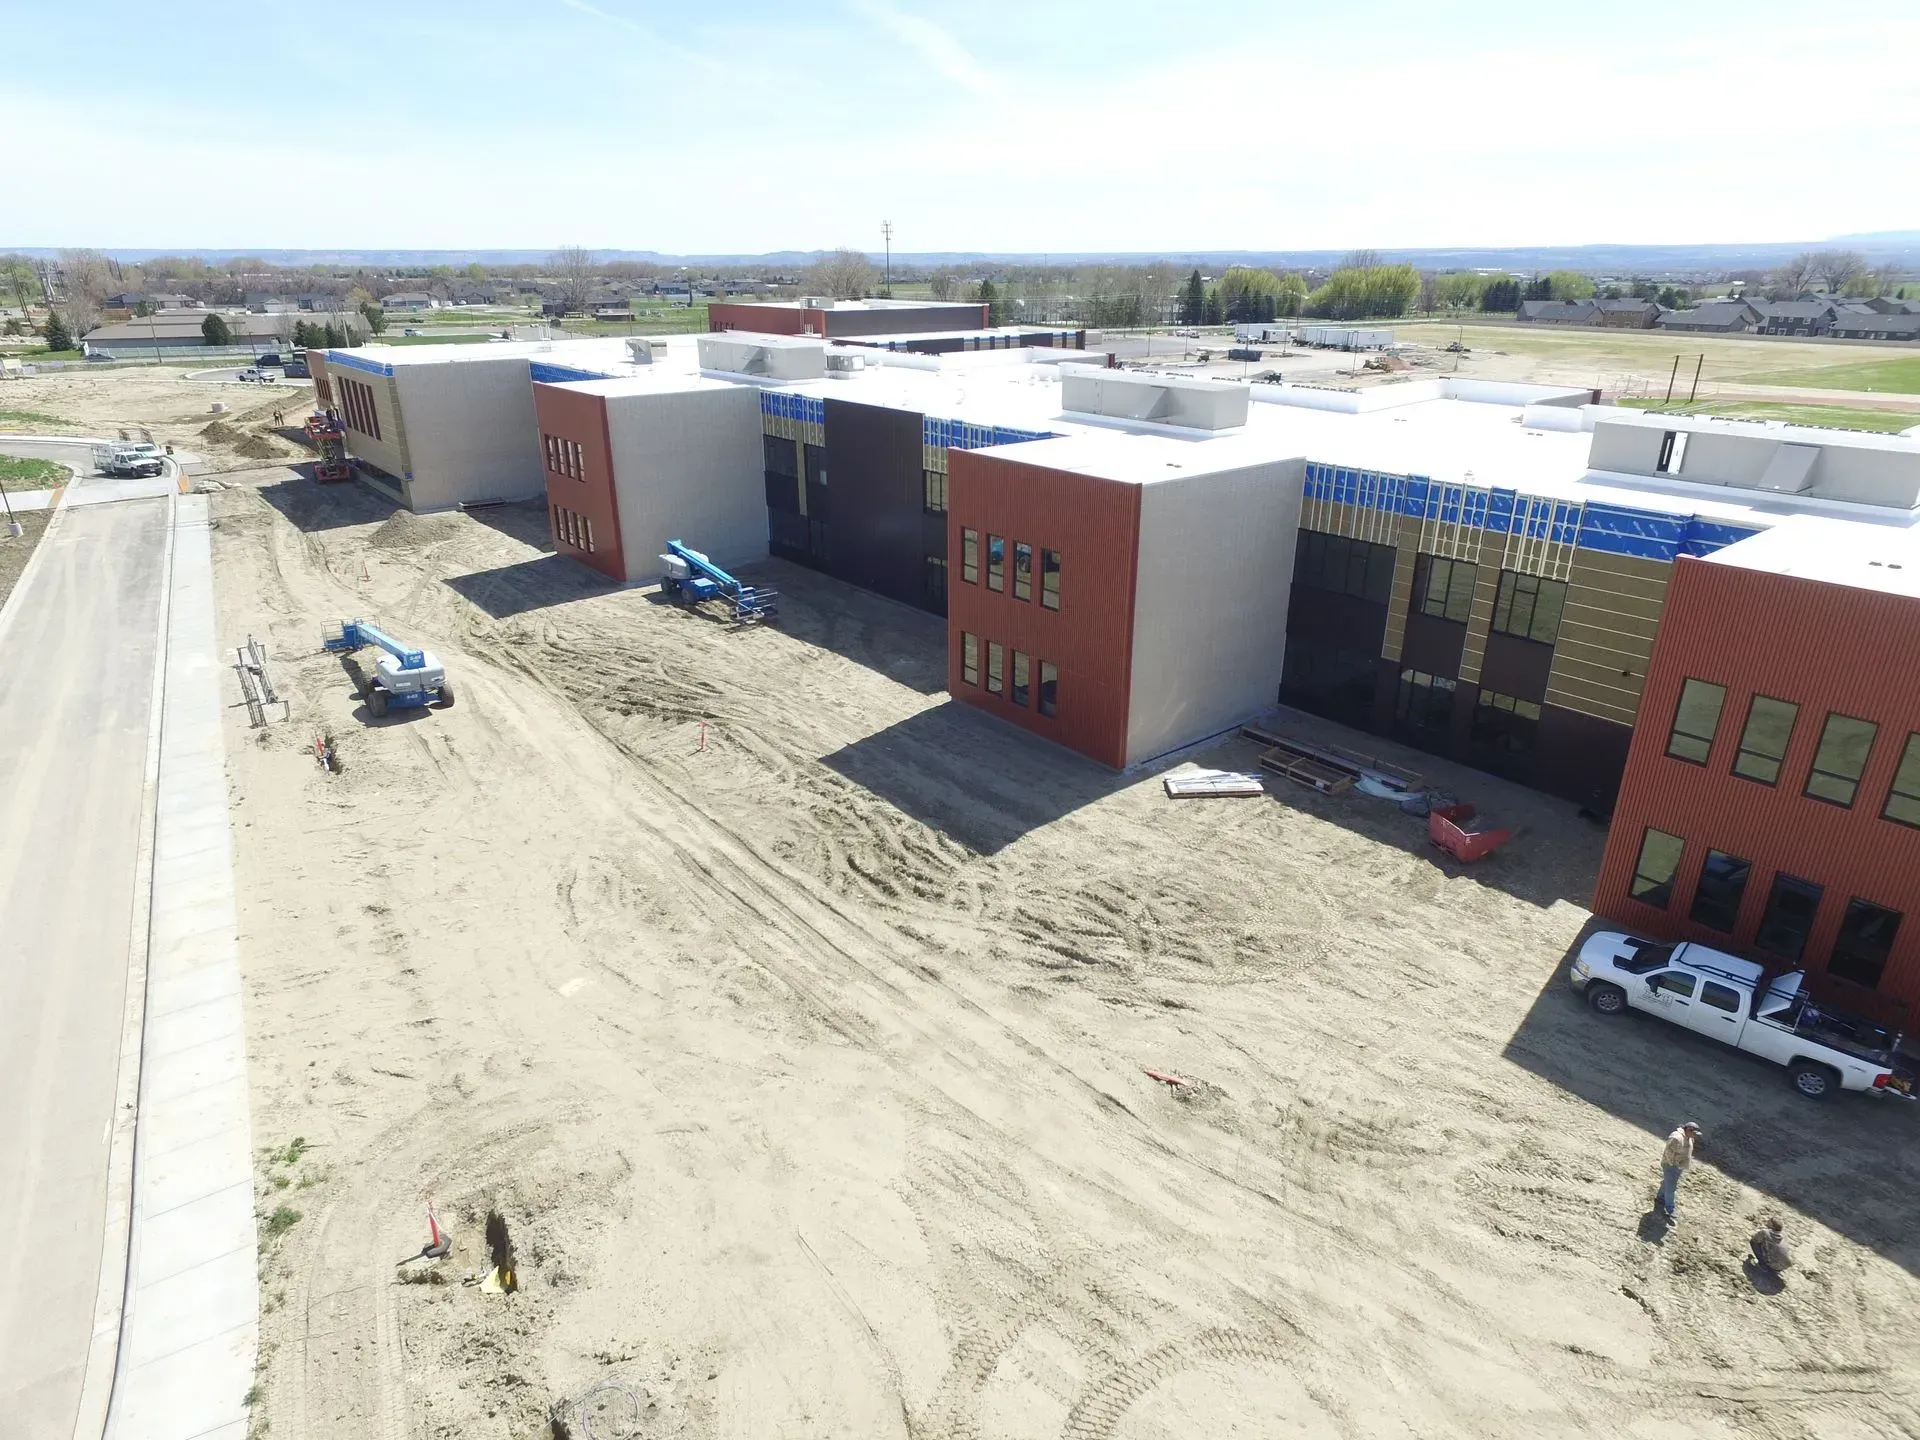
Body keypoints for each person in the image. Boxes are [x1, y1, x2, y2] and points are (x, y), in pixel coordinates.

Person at [1656, 1121, 1701, 1219]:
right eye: (1694, 1133)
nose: (1695, 1136)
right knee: (1671, 1188)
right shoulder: (1677, 1138)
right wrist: (1673, 1164)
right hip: (1671, 1165)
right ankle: (1670, 1209)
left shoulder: (1690, 1138)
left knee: (1668, 1182)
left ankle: (1660, 1197)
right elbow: (1668, 1152)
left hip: (1679, 1166)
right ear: (1688, 1130)